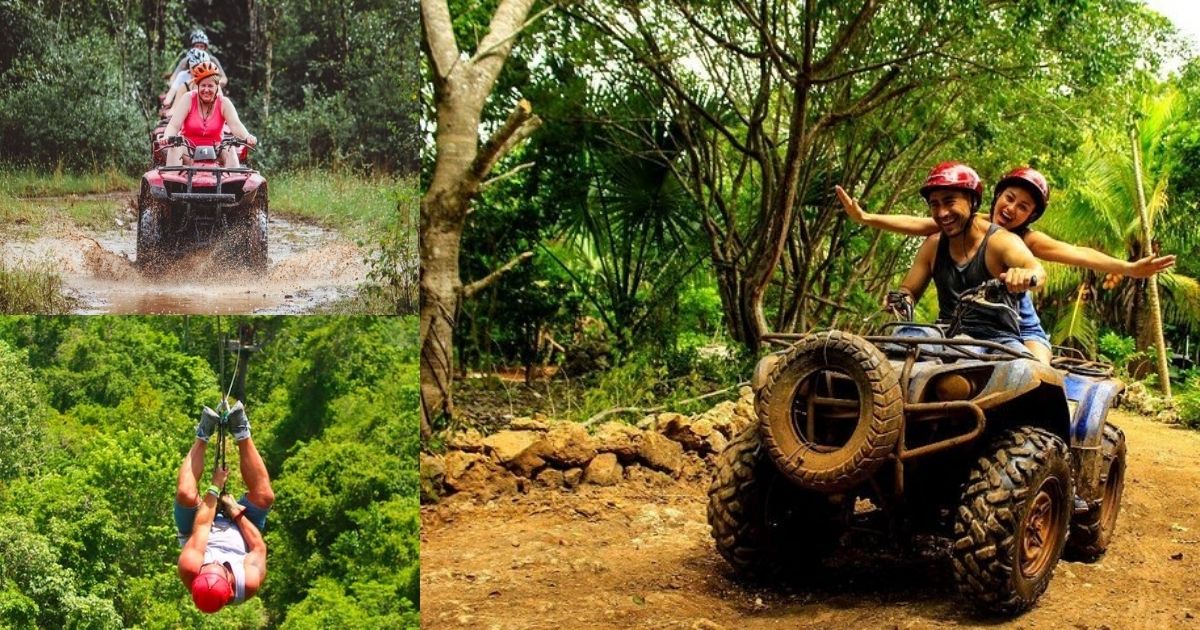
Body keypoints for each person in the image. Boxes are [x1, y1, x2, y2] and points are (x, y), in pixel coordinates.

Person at [836, 166, 1175, 362]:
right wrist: (867, 218)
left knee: (1035, 377)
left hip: (1016, 328)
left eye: (1023, 207)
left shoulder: (1021, 241)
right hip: (956, 328)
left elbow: (1074, 254)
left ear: (1030, 216)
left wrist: (1129, 268)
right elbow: (919, 224)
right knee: (900, 346)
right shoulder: (958, 222)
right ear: (994, 198)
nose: (1012, 209)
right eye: (1009, 198)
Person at [892, 161, 1047, 355]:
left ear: (973, 202)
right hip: (945, 334)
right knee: (904, 336)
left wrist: (1025, 275)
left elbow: (1037, 271)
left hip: (997, 340)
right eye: (934, 205)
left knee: (1025, 367)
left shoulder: (1002, 241)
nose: (942, 212)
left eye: (949, 202)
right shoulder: (933, 245)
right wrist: (901, 300)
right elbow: (908, 290)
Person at [175, 401, 273, 614]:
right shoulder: (248, 583)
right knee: (265, 497)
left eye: (208, 566)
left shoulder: (190, 567)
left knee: (185, 494)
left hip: (197, 528)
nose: (216, 563)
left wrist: (215, 487)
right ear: (229, 584)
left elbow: (202, 526)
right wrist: (236, 513)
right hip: (243, 533)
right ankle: (242, 431)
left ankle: (202, 435)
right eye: (219, 568)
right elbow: (258, 547)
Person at [163, 61, 257, 167]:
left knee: (229, 149)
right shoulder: (188, 99)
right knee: (175, 147)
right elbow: (174, 125)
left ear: (217, 87)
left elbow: (236, 125)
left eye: (210, 86)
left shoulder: (224, 103)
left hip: (216, 151)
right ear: (197, 86)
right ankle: (172, 176)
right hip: (188, 150)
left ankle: (234, 177)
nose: (206, 90)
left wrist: (248, 137)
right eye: (203, 85)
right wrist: (167, 137)